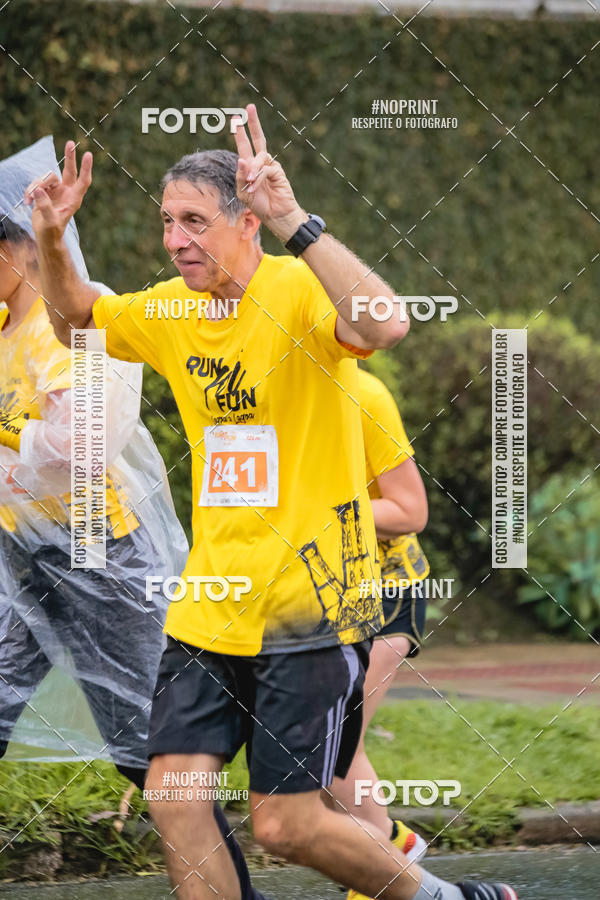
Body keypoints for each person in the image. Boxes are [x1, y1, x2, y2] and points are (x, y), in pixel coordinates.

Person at [27, 105, 519, 900]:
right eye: (165, 223)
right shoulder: (167, 311)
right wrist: (51, 238)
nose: (174, 240)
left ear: (246, 221)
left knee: (285, 824)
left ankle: (441, 897)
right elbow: (76, 314)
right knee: (173, 795)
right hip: (211, 607)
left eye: (194, 221)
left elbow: (386, 322)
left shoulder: (297, 294)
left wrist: (296, 218)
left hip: (311, 605)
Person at [0, 137, 268, 900]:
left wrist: (10, 441)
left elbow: (83, 444)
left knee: (152, 755)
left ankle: (301, 829)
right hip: (24, 554)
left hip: (102, 554)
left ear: (18, 247)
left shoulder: (76, 324)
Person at [332, 368, 431, 899]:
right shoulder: (265, 389)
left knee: (335, 741)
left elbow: (412, 510)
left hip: (388, 592)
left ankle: (384, 864)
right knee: (314, 747)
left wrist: (326, 513)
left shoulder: (365, 395)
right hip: (319, 593)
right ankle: (392, 842)